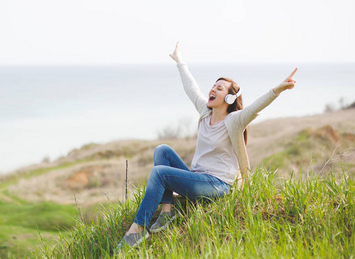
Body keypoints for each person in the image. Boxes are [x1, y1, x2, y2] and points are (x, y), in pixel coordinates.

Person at [117, 42, 298, 248]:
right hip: (198, 178)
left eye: (219, 88)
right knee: (162, 151)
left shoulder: (234, 120)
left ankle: (138, 230)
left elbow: (256, 108)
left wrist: (278, 89)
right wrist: (180, 61)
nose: (212, 89)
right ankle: (167, 212)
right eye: (213, 85)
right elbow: (191, 87)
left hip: (217, 186)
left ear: (229, 98)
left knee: (160, 173)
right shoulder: (205, 112)